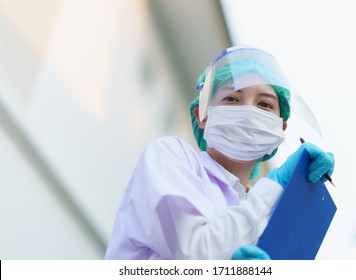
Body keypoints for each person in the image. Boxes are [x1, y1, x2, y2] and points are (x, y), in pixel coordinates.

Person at [104, 45, 335, 260]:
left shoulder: (267, 215)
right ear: (202, 115)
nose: (248, 111)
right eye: (232, 98)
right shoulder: (169, 156)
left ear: (281, 128)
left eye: (264, 105)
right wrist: (277, 185)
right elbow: (193, 252)